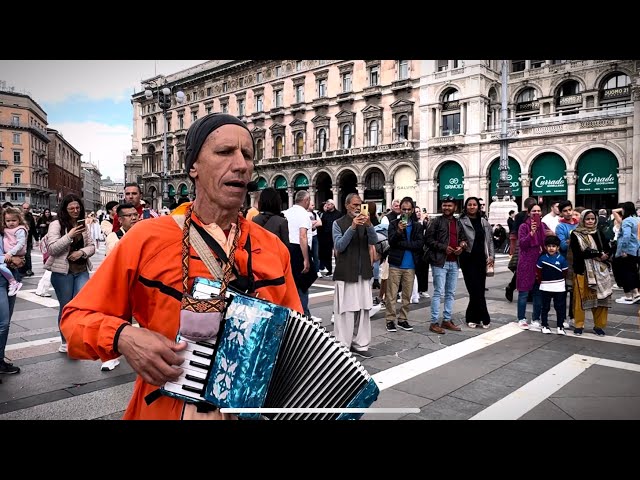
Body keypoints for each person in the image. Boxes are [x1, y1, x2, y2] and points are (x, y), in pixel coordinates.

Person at [60, 112, 302, 420]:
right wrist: (123, 336)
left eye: (248, 155)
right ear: (193, 167)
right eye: (225, 152)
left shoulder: (272, 248)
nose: (241, 164)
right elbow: (75, 320)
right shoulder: (147, 238)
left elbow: (294, 341)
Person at [46, 194, 96, 353]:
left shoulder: (83, 225)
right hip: (63, 272)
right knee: (66, 307)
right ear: (65, 210)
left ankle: (76, 337)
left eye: (77, 208)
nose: (75, 211)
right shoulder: (56, 224)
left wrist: (81, 252)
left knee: (80, 305)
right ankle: (65, 340)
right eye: (71, 208)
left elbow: (92, 246)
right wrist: (70, 236)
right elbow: (52, 248)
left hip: (81, 270)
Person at [332, 193, 377, 359]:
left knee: (364, 310)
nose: (357, 208)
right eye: (354, 205)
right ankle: (343, 344)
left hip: (363, 271)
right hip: (346, 273)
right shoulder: (338, 223)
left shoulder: (366, 222)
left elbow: (373, 240)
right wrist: (352, 227)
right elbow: (339, 246)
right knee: (346, 311)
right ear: (346, 205)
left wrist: (370, 224)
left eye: (360, 205)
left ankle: (361, 344)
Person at [100, 203, 140, 371]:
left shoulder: (143, 233)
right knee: (118, 319)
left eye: (135, 214)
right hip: (121, 283)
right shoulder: (114, 237)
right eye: (129, 215)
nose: (134, 217)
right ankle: (110, 356)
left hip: (140, 283)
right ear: (121, 219)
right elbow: (113, 261)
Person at [424, 195, 468, 334]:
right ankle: (434, 322)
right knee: (438, 292)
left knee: (450, 293)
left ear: (455, 207)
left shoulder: (458, 222)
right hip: (439, 262)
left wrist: (462, 245)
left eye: (449, 205)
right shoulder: (436, 221)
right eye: (444, 205)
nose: (446, 207)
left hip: (454, 262)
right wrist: (443, 247)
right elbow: (428, 240)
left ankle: (447, 320)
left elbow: (463, 238)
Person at [570, 209, 613, 336]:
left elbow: (608, 248)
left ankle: (599, 326)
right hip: (582, 270)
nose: (590, 221)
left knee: (601, 299)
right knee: (580, 299)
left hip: (600, 271)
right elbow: (579, 253)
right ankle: (579, 325)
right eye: (587, 219)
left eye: (592, 219)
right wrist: (598, 254)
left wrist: (606, 255)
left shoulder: (599, 232)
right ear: (582, 220)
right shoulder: (575, 234)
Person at [384, 197, 424, 333]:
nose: (406, 212)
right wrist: (399, 231)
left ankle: (402, 319)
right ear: (400, 209)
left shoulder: (417, 226)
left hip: (410, 265)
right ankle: (390, 320)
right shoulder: (394, 224)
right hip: (396, 264)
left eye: (408, 209)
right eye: (403, 209)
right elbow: (392, 241)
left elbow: (419, 244)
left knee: (407, 295)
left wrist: (402, 244)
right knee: (392, 295)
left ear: (412, 210)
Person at [458, 197, 494, 328]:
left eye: (474, 205)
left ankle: (472, 317)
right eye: (469, 205)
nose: (472, 207)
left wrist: (491, 257)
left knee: (479, 289)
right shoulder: (460, 221)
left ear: (478, 207)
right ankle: (485, 317)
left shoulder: (484, 222)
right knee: (473, 289)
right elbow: (458, 238)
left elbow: (489, 241)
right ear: (465, 206)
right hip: (467, 258)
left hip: (481, 259)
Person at [516, 203, 550, 330]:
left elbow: (548, 244)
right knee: (523, 292)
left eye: (539, 211)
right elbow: (523, 244)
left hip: (540, 262)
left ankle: (536, 318)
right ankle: (521, 318)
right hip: (526, 263)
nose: (536, 213)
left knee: (538, 293)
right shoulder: (523, 227)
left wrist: (551, 234)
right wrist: (531, 233)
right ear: (529, 213)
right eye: (534, 211)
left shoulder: (544, 226)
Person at [0, 221, 25, 375]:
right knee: (2, 323)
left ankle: (0, 360)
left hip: (10, 276)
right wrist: (9, 259)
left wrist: (18, 258)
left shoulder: (6, 230)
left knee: (6, 323)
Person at [536, 235, 568, 335]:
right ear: (545, 247)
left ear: (558, 248)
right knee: (545, 307)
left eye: (553, 246)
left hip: (559, 288)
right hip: (545, 287)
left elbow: (565, 273)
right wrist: (542, 282)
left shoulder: (562, 259)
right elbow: (538, 272)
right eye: (549, 246)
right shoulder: (542, 259)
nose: (551, 248)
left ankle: (560, 326)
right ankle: (544, 325)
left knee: (560, 307)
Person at [612, 201, 640, 304]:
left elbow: (626, 236)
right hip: (636, 250)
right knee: (633, 271)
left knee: (625, 272)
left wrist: (623, 249)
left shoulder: (627, 221)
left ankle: (632, 294)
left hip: (626, 250)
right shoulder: (638, 219)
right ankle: (633, 294)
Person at [0, 207, 27, 296]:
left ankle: (13, 282)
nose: (11, 223)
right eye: (8, 221)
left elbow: (21, 243)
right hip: (8, 255)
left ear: (19, 219)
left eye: (13, 220)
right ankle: (13, 282)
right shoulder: (6, 229)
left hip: (12, 254)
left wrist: (10, 253)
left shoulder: (19, 230)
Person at [317, 199, 341, 277]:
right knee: (327, 254)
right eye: (327, 204)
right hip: (326, 235)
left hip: (336, 235)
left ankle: (338, 269)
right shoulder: (324, 214)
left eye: (329, 204)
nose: (327, 205)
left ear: (333, 205)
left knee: (337, 253)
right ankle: (329, 269)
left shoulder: (338, 214)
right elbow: (321, 225)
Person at [35, 208, 55, 297]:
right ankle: (42, 290)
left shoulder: (52, 227)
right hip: (53, 251)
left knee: (49, 271)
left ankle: (41, 289)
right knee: (49, 271)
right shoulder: (54, 227)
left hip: (51, 249)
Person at [18, 202, 38, 277]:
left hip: (28, 239)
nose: (26, 210)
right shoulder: (18, 216)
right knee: (21, 255)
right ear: (21, 208)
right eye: (24, 208)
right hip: (19, 239)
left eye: (27, 208)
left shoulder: (30, 216)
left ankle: (28, 269)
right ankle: (21, 270)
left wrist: (36, 239)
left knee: (28, 255)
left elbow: (33, 228)